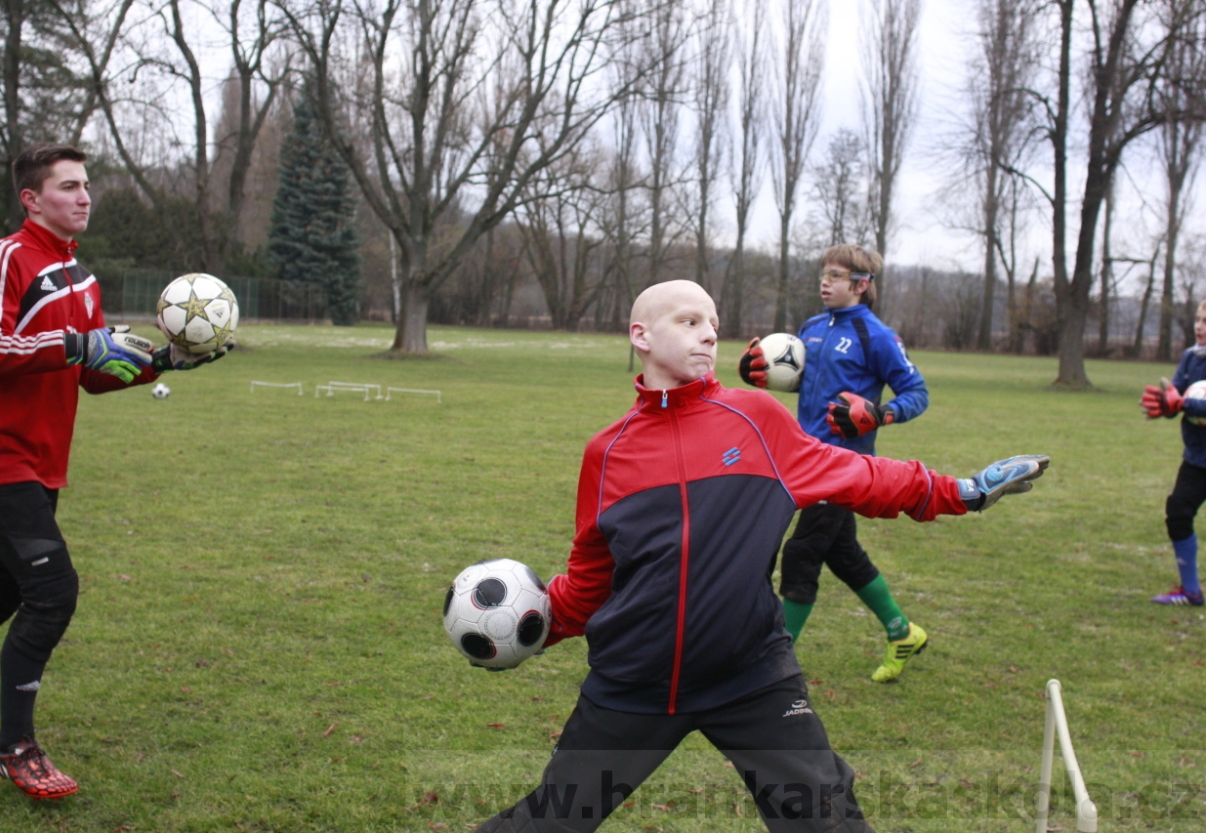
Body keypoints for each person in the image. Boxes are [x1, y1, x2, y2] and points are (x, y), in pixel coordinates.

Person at [474, 279, 1048, 832]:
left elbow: (863, 475)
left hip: (749, 675)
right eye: (689, 321)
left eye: (713, 325)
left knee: (827, 818)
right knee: (555, 817)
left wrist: (962, 492)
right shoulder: (608, 453)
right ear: (641, 335)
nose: (707, 335)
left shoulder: (758, 420)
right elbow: (591, 578)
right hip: (634, 680)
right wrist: (530, 629)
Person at [0, 142, 229, 799]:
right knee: (52, 592)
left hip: (43, 461)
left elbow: (89, 376)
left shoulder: (80, 278)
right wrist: (77, 342)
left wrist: (163, 361)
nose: (84, 196)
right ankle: (13, 745)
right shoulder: (4, 258)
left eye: (86, 186)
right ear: (31, 198)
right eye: (68, 186)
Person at [739, 245, 931, 682]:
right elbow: (807, 387)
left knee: (803, 553)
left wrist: (882, 412)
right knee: (842, 553)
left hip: (845, 467)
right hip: (804, 460)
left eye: (837, 276)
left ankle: (770, 664)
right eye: (823, 274)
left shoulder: (877, 336)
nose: (826, 282)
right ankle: (902, 632)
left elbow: (917, 393)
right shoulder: (811, 328)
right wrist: (760, 374)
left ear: (861, 285)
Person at [1140, 299, 1206, 606]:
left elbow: (1187, 403)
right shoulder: (1190, 358)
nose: (1199, 326)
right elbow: (1175, 396)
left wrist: (1185, 405)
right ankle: (1191, 591)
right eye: (1198, 319)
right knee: (1178, 513)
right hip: (1197, 458)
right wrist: (1165, 407)